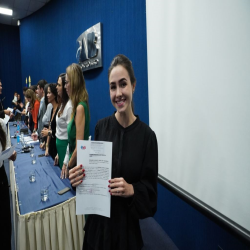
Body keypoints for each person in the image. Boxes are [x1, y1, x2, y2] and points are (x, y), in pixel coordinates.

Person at [69, 55, 158, 250]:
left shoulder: (147, 137)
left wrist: (132, 190)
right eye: (112, 86)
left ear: (133, 86)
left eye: (123, 84)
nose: (118, 93)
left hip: (126, 233)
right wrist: (78, 178)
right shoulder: (102, 127)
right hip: (98, 230)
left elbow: (151, 197)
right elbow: (93, 178)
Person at [65, 63, 90, 171]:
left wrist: (68, 165)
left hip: (77, 167)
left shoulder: (80, 107)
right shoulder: (78, 106)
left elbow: (79, 147)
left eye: (66, 82)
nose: (65, 86)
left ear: (74, 83)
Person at [0, 118, 17, 249]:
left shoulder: (0, 123)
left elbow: (5, 148)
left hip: (1, 178)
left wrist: (10, 154)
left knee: (5, 223)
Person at [54, 73, 72, 178]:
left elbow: (70, 135)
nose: (56, 87)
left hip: (66, 147)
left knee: (65, 180)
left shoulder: (69, 106)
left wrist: (66, 157)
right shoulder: (62, 104)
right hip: (60, 148)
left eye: (59, 85)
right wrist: (58, 153)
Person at [41, 83, 59, 160]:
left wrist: (48, 132)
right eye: (47, 93)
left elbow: (60, 132)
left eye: (49, 93)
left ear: (54, 94)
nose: (47, 95)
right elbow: (50, 127)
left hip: (57, 148)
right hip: (51, 147)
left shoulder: (59, 110)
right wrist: (47, 146)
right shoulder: (51, 109)